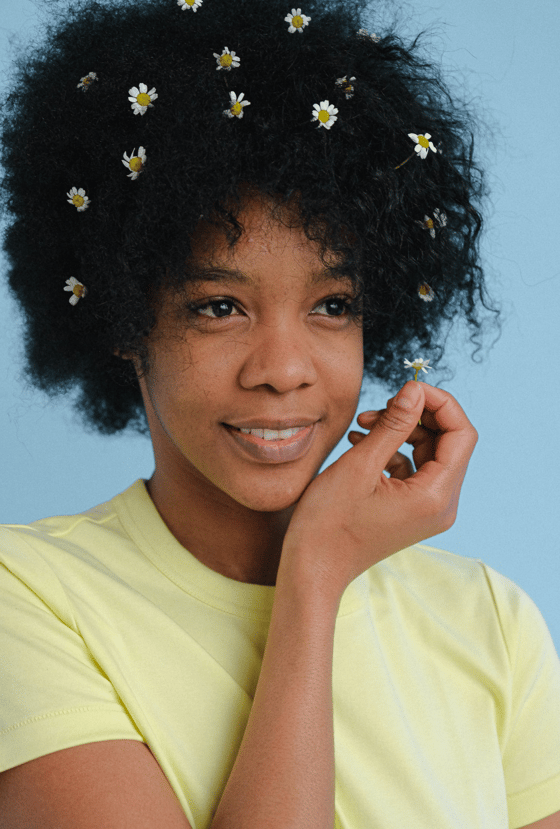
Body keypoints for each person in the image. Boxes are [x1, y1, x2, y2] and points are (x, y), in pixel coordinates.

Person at [1, 0, 559, 826]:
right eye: (219, 307)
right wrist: (315, 573)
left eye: (333, 303)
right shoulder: (30, 597)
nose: (285, 370)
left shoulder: (490, 620)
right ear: (122, 317)